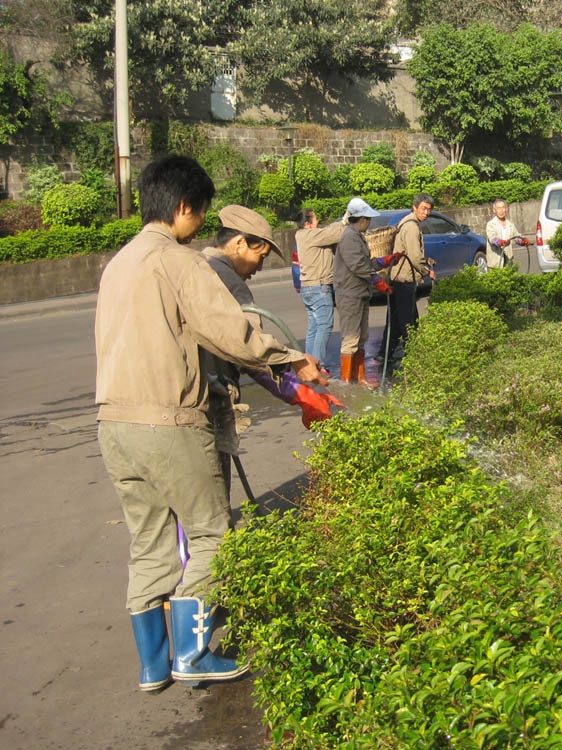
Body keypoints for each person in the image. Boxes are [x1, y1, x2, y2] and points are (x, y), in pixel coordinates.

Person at [95, 155, 328, 694]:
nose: (200, 225)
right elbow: (230, 333)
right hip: (168, 422)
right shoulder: (177, 262)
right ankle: (193, 656)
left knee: (148, 542)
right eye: (199, 214)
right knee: (211, 535)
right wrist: (291, 361)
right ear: (182, 207)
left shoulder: (120, 263)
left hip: (113, 424)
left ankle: (153, 667)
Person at [202, 205, 344, 497]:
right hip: (201, 405)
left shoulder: (199, 267)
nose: (259, 267)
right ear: (239, 243)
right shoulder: (229, 283)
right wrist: (298, 387)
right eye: (261, 256)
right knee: (210, 516)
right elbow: (250, 350)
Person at [332, 197, 397, 386]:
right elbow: (358, 265)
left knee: (361, 337)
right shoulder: (349, 237)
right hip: (349, 294)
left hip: (359, 293)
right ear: (361, 219)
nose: (369, 223)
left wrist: (385, 260)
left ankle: (359, 378)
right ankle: (346, 381)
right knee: (351, 338)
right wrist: (378, 282)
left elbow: (366, 262)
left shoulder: (357, 236)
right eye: (367, 219)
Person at [380, 193, 436, 368]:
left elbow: (410, 253)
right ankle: (414, 355)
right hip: (404, 278)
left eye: (429, 209)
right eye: (423, 209)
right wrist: (427, 271)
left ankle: (384, 354)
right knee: (408, 320)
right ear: (415, 207)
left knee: (396, 320)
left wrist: (425, 260)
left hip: (398, 277)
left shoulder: (407, 222)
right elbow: (413, 256)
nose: (426, 212)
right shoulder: (411, 226)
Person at [295, 208, 346, 373]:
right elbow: (335, 234)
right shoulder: (311, 235)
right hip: (319, 287)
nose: (318, 223)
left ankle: (309, 364)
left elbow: (328, 231)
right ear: (308, 224)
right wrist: (344, 221)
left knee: (314, 327)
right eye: (315, 220)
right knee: (324, 325)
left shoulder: (303, 235)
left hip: (308, 288)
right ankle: (318, 365)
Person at [484, 198, 528, 269]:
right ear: (494, 210)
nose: (501, 211)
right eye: (498, 208)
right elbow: (492, 238)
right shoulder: (491, 224)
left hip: (508, 260)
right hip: (495, 262)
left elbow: (516, 236)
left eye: (503, 208)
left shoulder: (510, 224)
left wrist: (522, 241)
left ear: (506, 209)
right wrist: (501, 242)